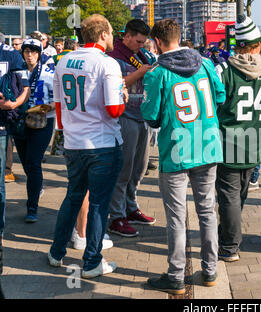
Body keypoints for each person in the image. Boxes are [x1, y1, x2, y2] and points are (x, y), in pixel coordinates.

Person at [141, 18, 226, 294]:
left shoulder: (157, 72)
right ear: (179, 37)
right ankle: (210, 270)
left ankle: (176, 276)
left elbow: (152, 118)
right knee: (207, 211)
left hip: (176, 150)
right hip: (208, 144)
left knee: (177, 218)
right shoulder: (206, 64)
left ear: (157, 42)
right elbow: (221, 96)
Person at [48, 14, 125, 278]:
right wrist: (124, 96)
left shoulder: (63, 60)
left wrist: (67, 132)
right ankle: (91, 261)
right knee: (99, 205)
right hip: (102, 143)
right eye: (112, 32)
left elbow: (59, 108)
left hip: (74, 142)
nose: (113, 36)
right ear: (102, 34)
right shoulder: (107, 63)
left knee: (73, 197)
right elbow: (115, 110)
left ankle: (56, 252)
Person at [214, 15, 261, 262]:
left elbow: (215, 105)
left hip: (228, 142)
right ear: (260, 44)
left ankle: (229, 246)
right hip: (255, 141)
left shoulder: (224, 70)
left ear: (238, 46)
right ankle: (226, 235)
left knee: (230, 196)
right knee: (239, 194)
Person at [107, 19, 156, 238]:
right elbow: (115, 84)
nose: (141, 45)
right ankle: (117, 216)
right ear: (126, 36)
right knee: (123, 169)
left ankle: (131, 207)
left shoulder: (141, 55)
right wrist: (141, 73)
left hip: (142, 116)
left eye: (144, 42)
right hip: (124, 117)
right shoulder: (114, 57)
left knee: (139, 167)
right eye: (138, 41)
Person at [0, 31, 30, 297]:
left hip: (1, 126)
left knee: (0, 185)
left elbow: (25, 87)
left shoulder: (9, 55)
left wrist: (14, 103)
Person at [13, 39, 56, 223]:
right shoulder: (16, 73)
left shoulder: (49, 73)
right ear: (22, 53)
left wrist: (46, 107)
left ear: (39, 53)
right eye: (27, 51)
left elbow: (58, 100)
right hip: (20, 122)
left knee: (33, 162)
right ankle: (36, 186)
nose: (30, 55)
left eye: (33, 51)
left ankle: (32, 207)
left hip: (42, 122)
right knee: (26, 163)